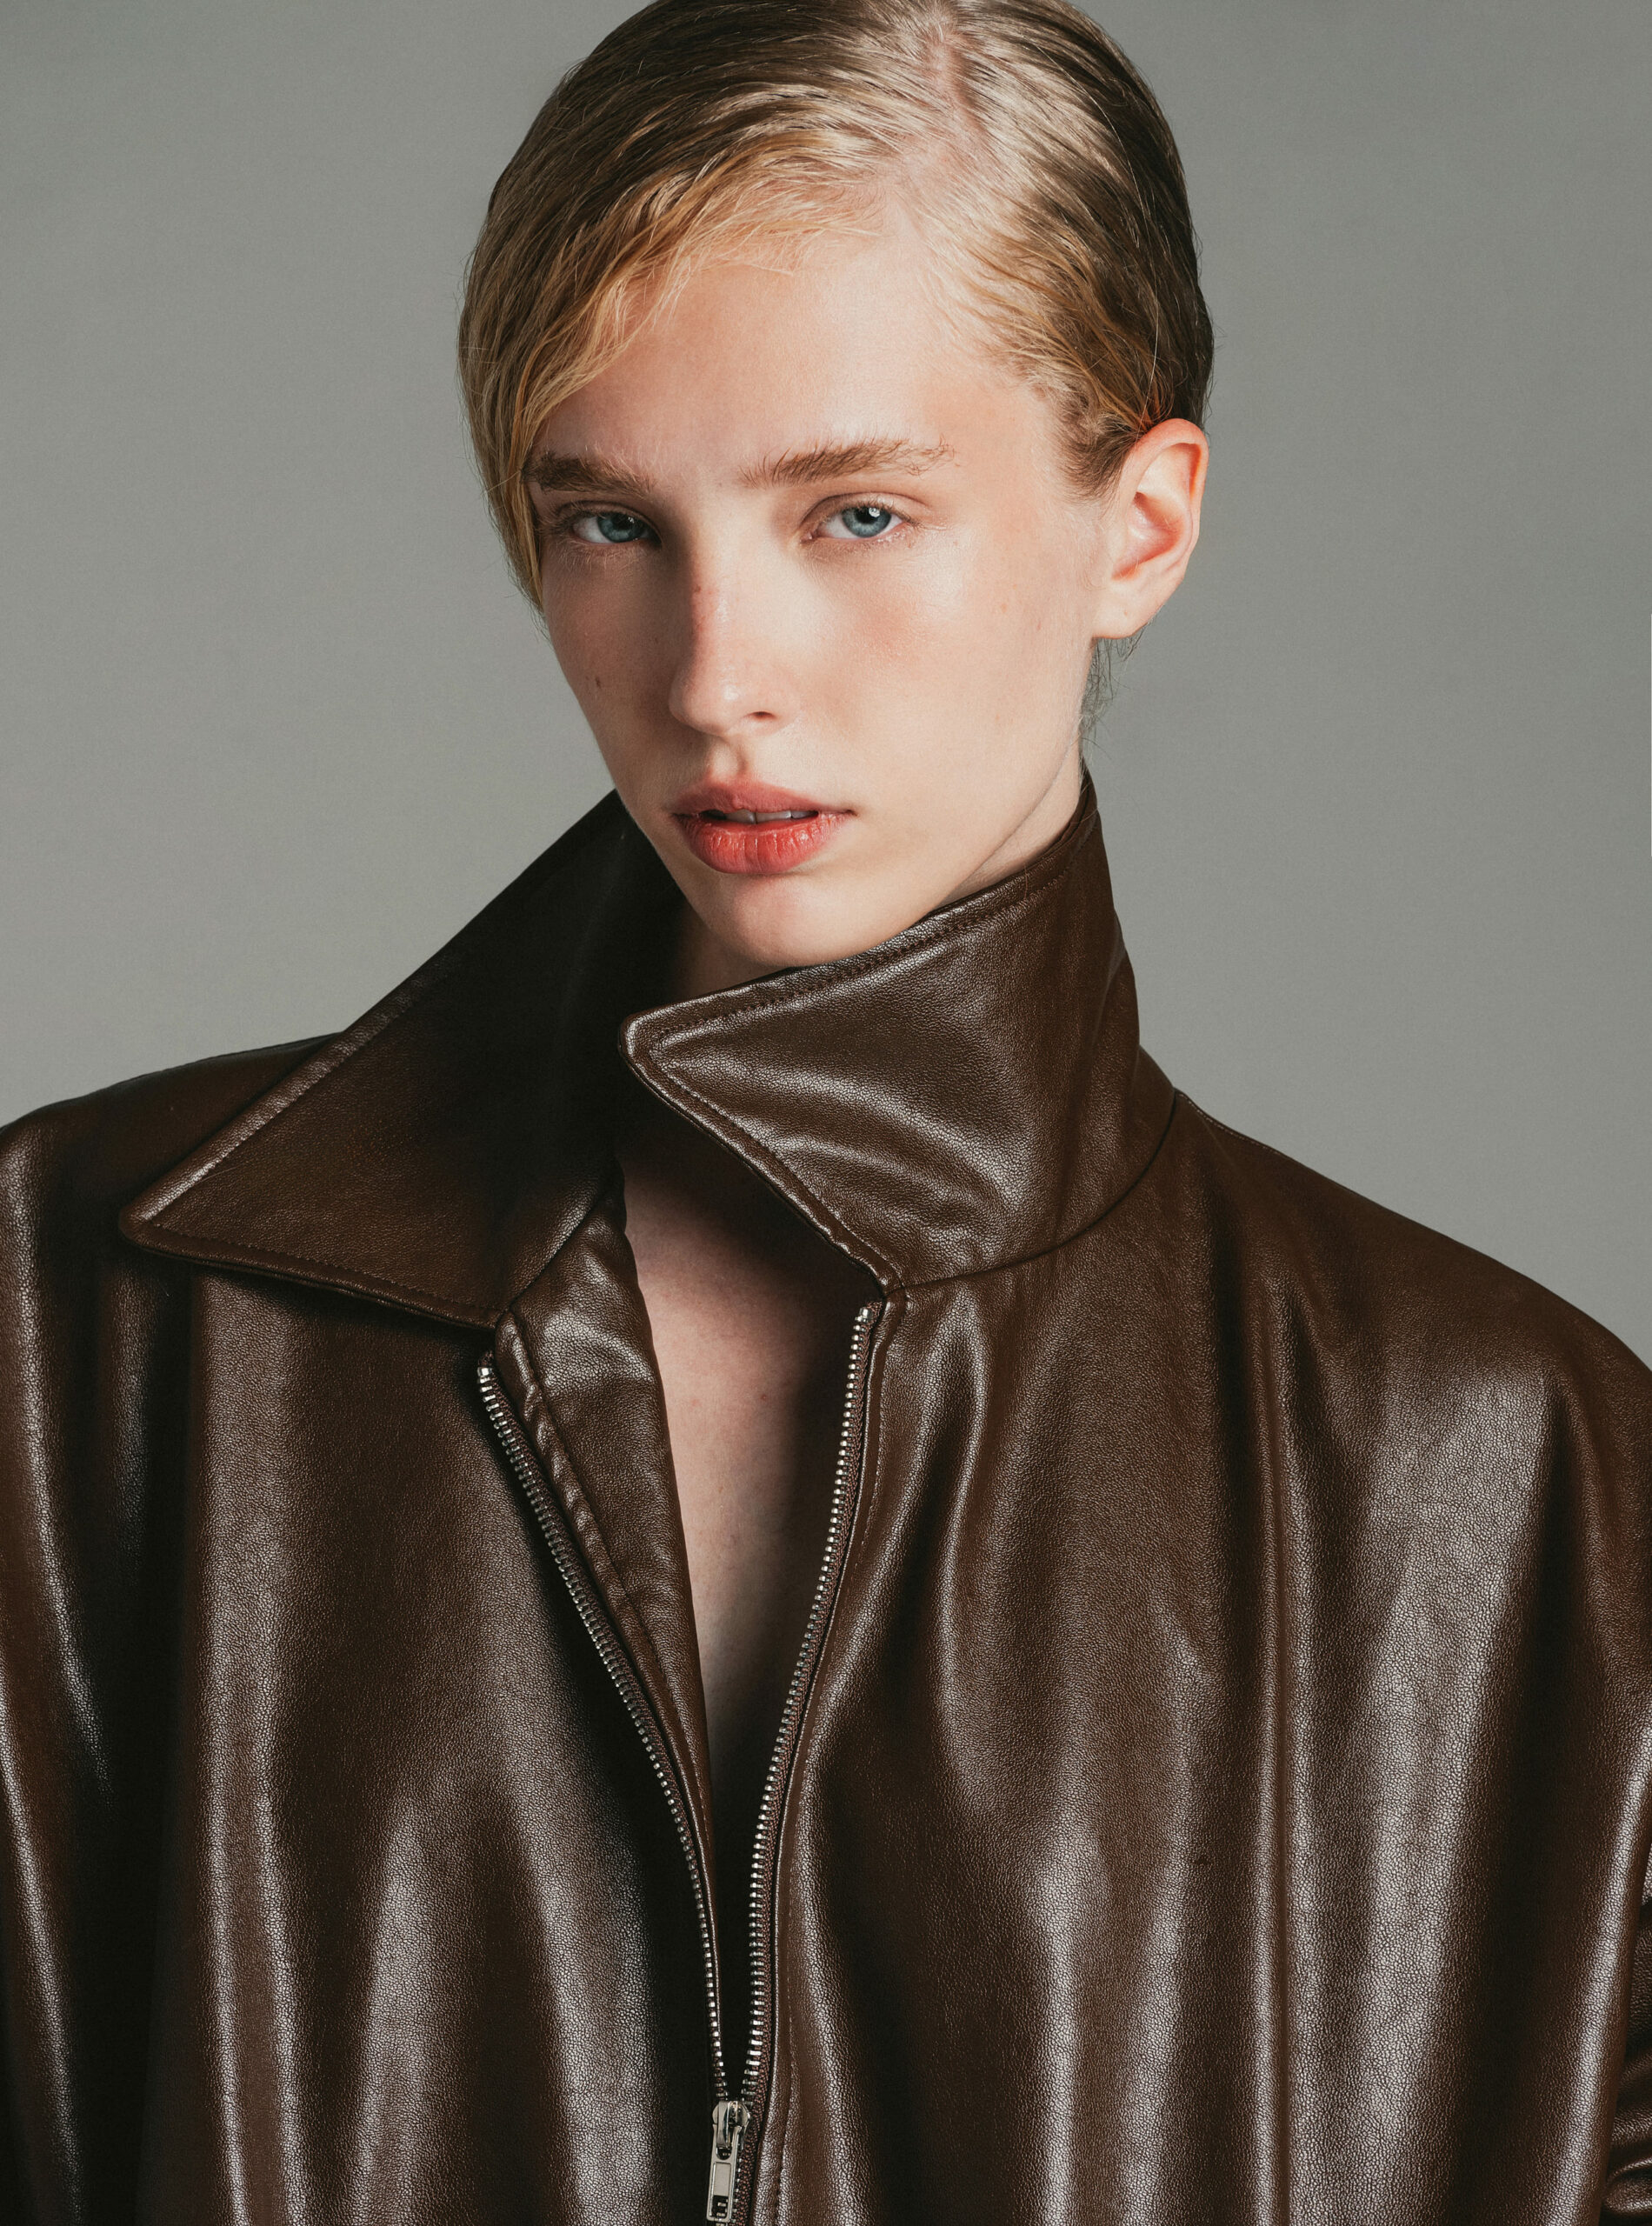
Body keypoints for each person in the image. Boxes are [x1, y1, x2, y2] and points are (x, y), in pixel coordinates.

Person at [1, 0, 1649, 2219]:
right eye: (609, 521)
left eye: (854, 511)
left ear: (1138, 522)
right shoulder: (82, 1310)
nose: (715, 675)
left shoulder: (1518, 1481)